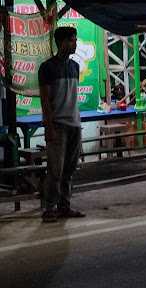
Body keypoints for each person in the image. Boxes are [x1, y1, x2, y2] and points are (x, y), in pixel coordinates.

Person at [38, 26, 85, 223]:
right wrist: (49, 127)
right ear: (62, 42)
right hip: (58, 125)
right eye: (72, 40)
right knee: (55, 170)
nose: (75, 44)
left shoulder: (75, 67)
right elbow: (45, 101)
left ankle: (64, 206)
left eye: (75, 40)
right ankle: (49, 208)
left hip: (74, 124)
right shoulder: (47, 68)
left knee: (69, 170)